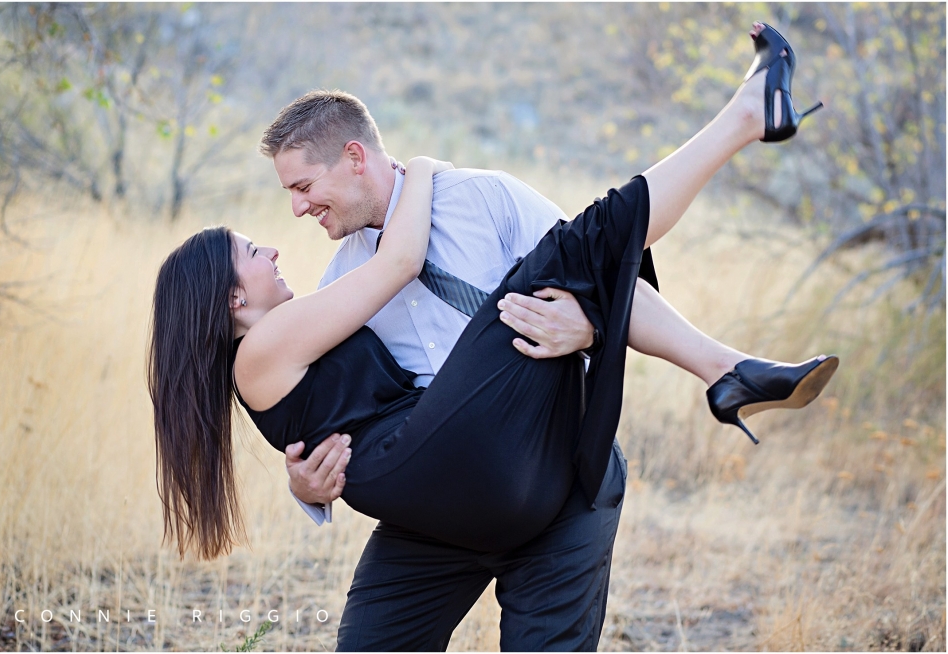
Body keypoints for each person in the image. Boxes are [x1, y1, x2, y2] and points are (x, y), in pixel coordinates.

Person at [148, 23, 836, 651]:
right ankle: (746, 130)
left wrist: (592, 325)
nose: (292, 215)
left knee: (578, 256)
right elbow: (383, 304)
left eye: (303, 185)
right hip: (444, 486)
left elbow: (607, 277)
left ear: (353, 156)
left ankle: (729, 367)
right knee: (571, 255)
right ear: (234, 298)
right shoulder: (341, 281)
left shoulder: (484, 197)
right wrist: (305, 484)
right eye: (280, 208)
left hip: (541, 471)